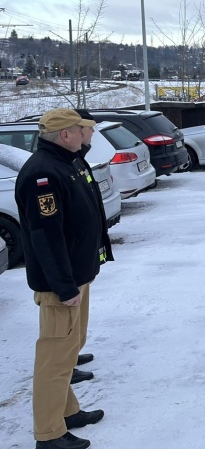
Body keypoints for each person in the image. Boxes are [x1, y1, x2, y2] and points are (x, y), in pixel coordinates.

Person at [17, 109, 108, 449]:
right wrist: (64, 286)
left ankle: (67, 412)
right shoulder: (43, 173)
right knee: (54, 362)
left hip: (75, 277)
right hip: (61, 286)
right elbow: (45, 237)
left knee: (68, 352)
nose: (90, 135)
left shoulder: (63, 162)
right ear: (66, 134)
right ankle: (49, 434)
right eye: (83, 129)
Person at [69, 110, 115, 386]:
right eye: (89, 129)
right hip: (71, 263)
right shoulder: (55, 167)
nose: (93, 134)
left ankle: (71, 354)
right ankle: (67, 360)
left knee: (77, 321)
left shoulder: (77, 160)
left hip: (82, 260)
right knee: (63, 327)